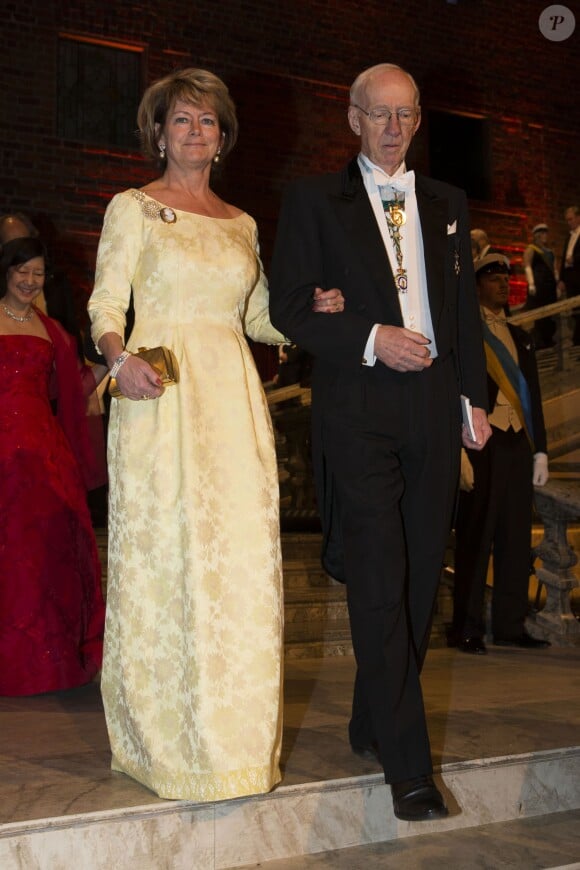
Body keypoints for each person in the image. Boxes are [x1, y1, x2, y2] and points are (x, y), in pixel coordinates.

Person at [87, 67, 343, 802]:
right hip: (160, 394)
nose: (195, 132)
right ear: (158, 133)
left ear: (223, 137)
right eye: (181, 121)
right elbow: (107, 301)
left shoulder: (242, 223)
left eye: (207, 121)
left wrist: (314, 307)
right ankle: (159, 742)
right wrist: (119, 360)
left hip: (232, 400)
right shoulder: (132, 208)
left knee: (237, 566)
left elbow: (258, 318)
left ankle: (231, 743)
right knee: (168, 561)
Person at [269, 63, 491, 822]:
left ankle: (372, 720)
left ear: (419, 120)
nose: (393, 127)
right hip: (358, 405)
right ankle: (409, 767)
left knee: (419, 579)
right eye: (379, 114)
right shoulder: (311, 201)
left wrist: (474, 399)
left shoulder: (448, 203)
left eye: (405, 114)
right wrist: (368, 338)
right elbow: (291, 307)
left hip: (433, 405)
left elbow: (460, 308)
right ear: (354, 118)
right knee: (376, 576)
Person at [0, 237, 105, 695]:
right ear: (6, 272)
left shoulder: (53, 330)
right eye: (23, 270)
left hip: (45, 454)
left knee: (48, 551)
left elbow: (76, 387)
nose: (30, 280)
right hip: (4, 452)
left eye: (39, 273)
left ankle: (50, 657)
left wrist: (112, 361)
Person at [450, 253, 550, 655]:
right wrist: (456, 446)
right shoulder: (464, 330)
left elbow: (534, 398)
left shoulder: (519, 335)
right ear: (476, 286)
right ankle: (467, 626)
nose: (502, 284)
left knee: (515, 536)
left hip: (516, 445)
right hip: (481, 441)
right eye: (493, 278)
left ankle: (510, 623)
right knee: (477, 535)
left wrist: (541, 449)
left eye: (505, 278)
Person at [522, 223, 558, 349]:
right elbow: (527, 266)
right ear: (537, 235)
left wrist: (557, 282)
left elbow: (554, 268)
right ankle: (540, 341)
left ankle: (549, 338)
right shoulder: (531, 249)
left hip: (550, 286)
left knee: (551, 313)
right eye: (542, 233)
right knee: (540, 313)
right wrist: (531, 283)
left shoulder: (549, 251)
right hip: (539, 285)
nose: (545, 236)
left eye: (545, 233)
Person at [557, 205, 580, 345]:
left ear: (578, 218)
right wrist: (561, 279)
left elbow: (574, 257)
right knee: (574, 312)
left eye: (571, 219)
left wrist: (575, 259)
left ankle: (577, 342)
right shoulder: (568, 237)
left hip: (579, 277)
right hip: (571, 280)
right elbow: (564, 259)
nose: (568, 222)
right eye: (567, 220)